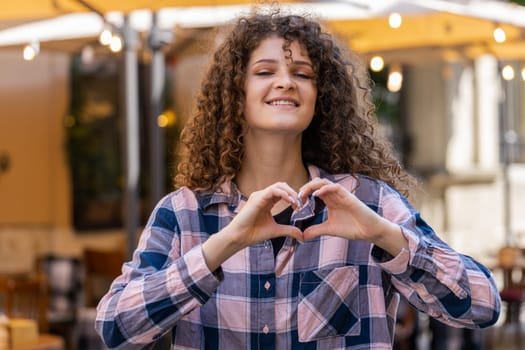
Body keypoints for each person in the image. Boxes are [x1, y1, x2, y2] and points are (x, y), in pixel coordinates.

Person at [95, 10, 501, 349]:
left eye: (302, 74)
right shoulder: (183, 214)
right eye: (265, 71)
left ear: (319, 97)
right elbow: (114, 329)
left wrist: (384, 235)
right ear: (235, 93)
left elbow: (483, 305)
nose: (286, 81)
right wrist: (223, 245)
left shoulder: (369, 203)